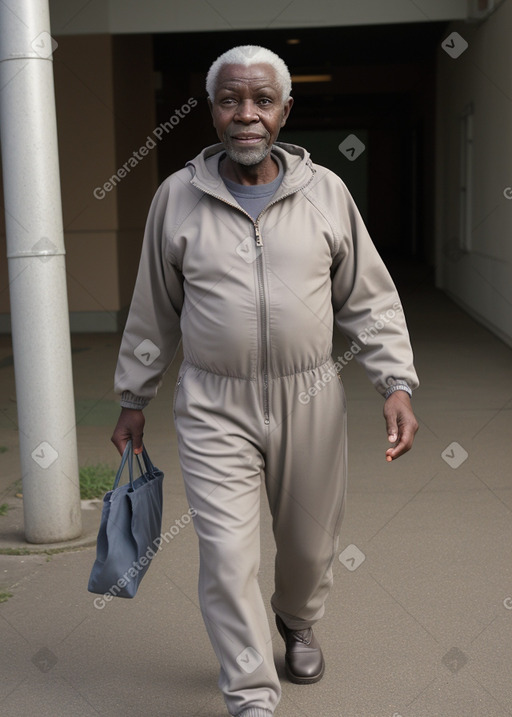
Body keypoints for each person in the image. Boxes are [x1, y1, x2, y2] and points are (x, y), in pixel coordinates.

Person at [111, 45, 419, 717]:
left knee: (309, 547)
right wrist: (135, 396)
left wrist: (394, 381)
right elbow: (153, 307)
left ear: (284, 110)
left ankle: (298, 619)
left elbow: (369, 297)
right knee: (226, 554)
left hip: (310, 394)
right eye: (229, 100)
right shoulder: (178, 198)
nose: (244, 114)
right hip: (214, 404)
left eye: (260, 101)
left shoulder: (327, 194)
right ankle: (251, 694)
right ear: (213, 111)